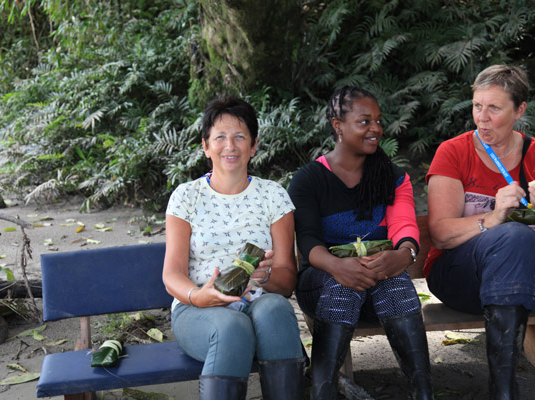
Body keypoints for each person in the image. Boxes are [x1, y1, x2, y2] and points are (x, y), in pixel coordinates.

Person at [288, 86, 433, 400]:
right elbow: (309, 240)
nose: (376, 129)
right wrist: (337, 266)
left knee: (396, 284)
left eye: (378, 121)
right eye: (365, 121)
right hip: (323, 284)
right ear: (338, 125)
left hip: (379, 284)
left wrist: (404, 254)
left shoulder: (392, 176)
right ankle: (323, 392)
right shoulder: (308, 180)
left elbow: (405, 226)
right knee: (344, 285)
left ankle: (424, 393)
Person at [162, 96, 305, 400]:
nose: (230, 145)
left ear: (253, 146)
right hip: (196, 310)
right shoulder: (186, 197)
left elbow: (287, 280)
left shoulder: (273, 196)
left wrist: (265, 278)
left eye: (240, 137)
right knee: (231, 325)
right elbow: (172, 275)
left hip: (260, 301)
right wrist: (199, 297)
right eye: (220, 137)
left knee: (276, 308)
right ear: (206, 145)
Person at [425, 64, 535, 399]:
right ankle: (503, 390)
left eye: (494, 108)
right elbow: (441, 234)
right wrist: (495, 216)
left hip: (522, 275)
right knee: (514, 236)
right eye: (477, 106)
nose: (482, 118)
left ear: (519, 110)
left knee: (519, 242)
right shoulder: (454, 151)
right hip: (459, 274)